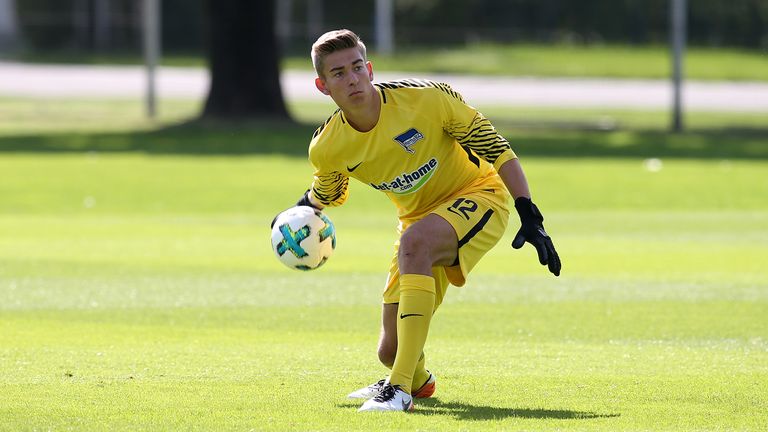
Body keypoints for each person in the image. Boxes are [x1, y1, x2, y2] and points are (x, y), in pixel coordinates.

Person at [282, 29, 561, 412]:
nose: (352, 79)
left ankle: (397, 390)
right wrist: (301, 209)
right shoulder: (328, 146)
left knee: (416, 243)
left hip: (478, 195)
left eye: (357, 67)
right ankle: (416, 381)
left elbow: (495, 146)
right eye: (338, 73)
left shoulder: (425, 100)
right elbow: (328, 189)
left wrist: (529, 212)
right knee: (390, 350)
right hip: (416, 221)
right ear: (323, 86)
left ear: (370, 69)